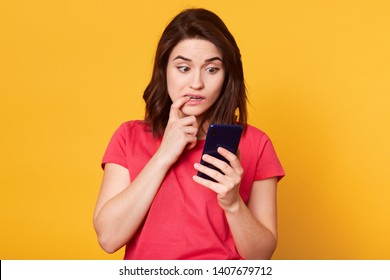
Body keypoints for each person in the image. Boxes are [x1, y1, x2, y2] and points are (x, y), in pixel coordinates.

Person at [93, 8, 285, 260]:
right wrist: (164, 155)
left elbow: (261, 257)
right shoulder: (129, 137)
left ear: (227, 76)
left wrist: (233, 203)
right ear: (164, 70)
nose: (197, 83)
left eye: (212, 69)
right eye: (183, 68)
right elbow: (108, 238)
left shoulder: (256, 143)